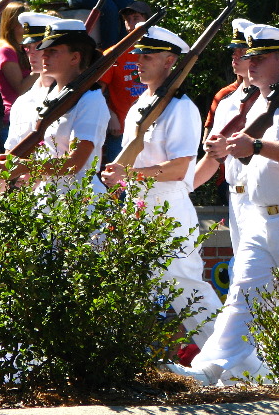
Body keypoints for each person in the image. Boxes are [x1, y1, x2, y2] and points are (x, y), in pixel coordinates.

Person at [173, 23, 279, 386]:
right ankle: (207, 370)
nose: (250, 63)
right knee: (240, 297)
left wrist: (257, 146)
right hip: (261, 217)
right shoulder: (257, 105)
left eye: (258, 57)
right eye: (249, 56)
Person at [101, 26, 223, 352]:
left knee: (188, 291)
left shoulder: (180, 107)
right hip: (138, 206)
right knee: (133, 289)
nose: (139, 61)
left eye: (149, 56)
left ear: (170, 60)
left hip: (168, 208)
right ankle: (133, 363)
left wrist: (128, 173)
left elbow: (179, 169)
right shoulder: (142, 104)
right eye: (139, 54)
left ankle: (237, 365)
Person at [0, 19, 109, 191]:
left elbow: (75, 163)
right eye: (44, 50)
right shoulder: (51, 97)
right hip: (47, 197)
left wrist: (26, 166)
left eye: (52, 51)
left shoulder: (91, 99)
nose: (44, 55)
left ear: (75, 57)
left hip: (80, 201)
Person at [194, 17, 255, 264]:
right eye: (234, 50)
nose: (235, 55)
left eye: (243, 51)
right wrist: (184, 186)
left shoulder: (277, 100)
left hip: (265, 196)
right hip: (236, 195)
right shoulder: (227, 101)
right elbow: (212, 154)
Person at [99, 1, 150, 164]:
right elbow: (96, 92)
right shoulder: (114, 53)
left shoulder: (159, 53)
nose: (132, 24)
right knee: (118, 185)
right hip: (121, 131)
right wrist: (111, 115)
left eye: (136, 18)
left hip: (152, 131)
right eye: (128, 19)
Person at [2, 12, 60, 152]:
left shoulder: (79, 97)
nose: (31, 53)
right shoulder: (22, 102)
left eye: (38, 46)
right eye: (28, 48)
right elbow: (10, 152)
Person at [0, 2, 36, 148]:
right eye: (23, 24)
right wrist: (41, 69)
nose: (27, 28)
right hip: (14, 121)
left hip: (28, 117)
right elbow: (20, 88)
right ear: (11, 24)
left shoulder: (21, 49)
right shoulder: (6, 51)